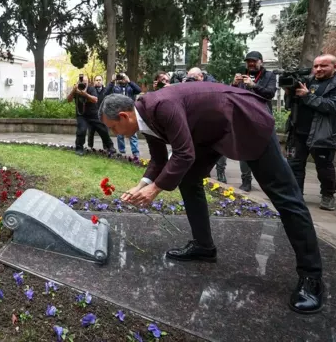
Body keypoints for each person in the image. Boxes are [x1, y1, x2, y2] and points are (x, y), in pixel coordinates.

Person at [98, 85, 324, 314]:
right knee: (188, 179)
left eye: (113, 127)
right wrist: (141, 186)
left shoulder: (162, 106)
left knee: (286, 198)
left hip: (245, 121)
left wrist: (155, 189)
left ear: (124, 116)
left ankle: (311, 278)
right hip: (210, 132)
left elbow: (184, 153)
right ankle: (204, 246)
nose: (116, 134)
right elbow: (158, 160)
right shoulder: (144, 117)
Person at [282, 54, 336, 211]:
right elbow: (290, 105)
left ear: (335, 66)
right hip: (298, 131)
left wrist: (308, 96)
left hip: (323, 134)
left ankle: (328, 195)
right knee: (294, 166)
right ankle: (296, 196)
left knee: (324, 167)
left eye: (323, 66)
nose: (318, 69)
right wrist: (289, 93)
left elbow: (333, 106)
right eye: (316, 66)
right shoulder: (306, 80)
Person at [229, 51, 277, 191]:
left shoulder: (269, 76)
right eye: (248, 61)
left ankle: (269, 180)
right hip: (244, 117)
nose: (251, 63)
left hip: (263, 117)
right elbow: (231, 96)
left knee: (267, 150)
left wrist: (254, 85)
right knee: (244, 151)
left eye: (254, 61)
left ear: (261, 62)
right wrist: (233, 84)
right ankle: (246, 181)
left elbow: (270, 93)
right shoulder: (242, 76)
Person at [67, 75, 115, 156]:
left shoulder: (91, 88)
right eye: (81, 82)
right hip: (81, 114)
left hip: (93, 114)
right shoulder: (76, 89)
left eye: (85, 82)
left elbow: (95, 99)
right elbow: (68, 100)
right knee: (81, 130)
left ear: (88, 83)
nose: (83, 84)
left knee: (103, 129)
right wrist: (73, 91)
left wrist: (85, 94)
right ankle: (79, 148)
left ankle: (110, 146)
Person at [104, 73, 142, 159]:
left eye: (122, 77)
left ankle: (135, 153)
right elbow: (106, 93)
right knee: (120, 134)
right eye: (119, 77)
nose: (121, 79)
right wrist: (112, 81)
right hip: (119, 113)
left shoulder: (130, 87)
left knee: (133, 133)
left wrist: (129, 81)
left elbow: (139, 90)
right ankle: (122, 152)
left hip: (130, 113)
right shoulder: (115, 88)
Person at [87, 75, 107, 149]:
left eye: (100, 80)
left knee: (104, 132)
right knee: (90, 132)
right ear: (94, 81)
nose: (98, 81)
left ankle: (106, 148)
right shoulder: (91, 90)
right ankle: (90, 147)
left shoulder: (105, 91)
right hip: (92, 115)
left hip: (103, 116)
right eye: (97, 80)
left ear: (102, 81)